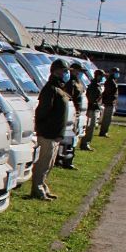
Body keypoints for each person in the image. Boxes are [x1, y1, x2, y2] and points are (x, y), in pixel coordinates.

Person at [32, 59, 71, 200]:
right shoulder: (51, 89)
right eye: (64, 71)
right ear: (56, 71)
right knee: (43, 163)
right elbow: (42, 111)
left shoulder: (60, 88)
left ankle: (43, 186)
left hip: (55, 134)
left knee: (49, 164)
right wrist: (44, 129)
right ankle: (37, 189)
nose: (67, 74)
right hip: (48, 134)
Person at [79, 68, 103, 151]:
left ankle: (86, 143)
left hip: (94, 108)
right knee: (89, 127)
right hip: (91, 109)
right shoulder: (93, 86)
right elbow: (92, 99)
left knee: (91, 127)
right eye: (101, 76)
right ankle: (85, 144)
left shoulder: (97, 85)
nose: (102, 78)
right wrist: (95, 105)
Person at [99, 67, 119, 137]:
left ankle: (104, 131)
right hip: (109, 102)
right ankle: (103, 132)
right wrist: (110, 100)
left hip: (111, 102)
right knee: (107, 118)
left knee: (108, 118)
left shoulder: (113, 80)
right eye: (116, 72)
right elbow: (108, 92)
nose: (117, 74)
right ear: (112, 72)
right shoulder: (110, 81)